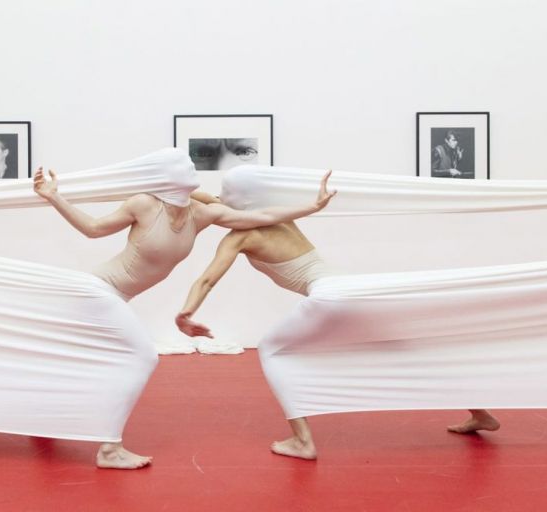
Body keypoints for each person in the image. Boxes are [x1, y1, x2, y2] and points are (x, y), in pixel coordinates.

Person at [33, 153, 336, 469]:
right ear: (167, 176)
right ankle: (109, 450)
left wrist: (313, 207)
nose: (194, 168)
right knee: (142, 357)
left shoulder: (200, 213)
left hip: (115, 297)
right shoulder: (144, 204)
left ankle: (40, 415)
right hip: (98, 290)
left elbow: (261, 216)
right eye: (186, 165)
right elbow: (94, 229)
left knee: (74, 354)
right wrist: (55, 197)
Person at [176, 192, 499, 460]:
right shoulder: (279, 215)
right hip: (352, 287)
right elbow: (211, 198)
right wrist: (178, 187)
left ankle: (302, 441)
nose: (214, 206)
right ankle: (481, 413)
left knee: (273, 351)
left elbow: (207, 279)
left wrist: (186, 313)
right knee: (407, 349)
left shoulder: (241, 235)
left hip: (330, 296)